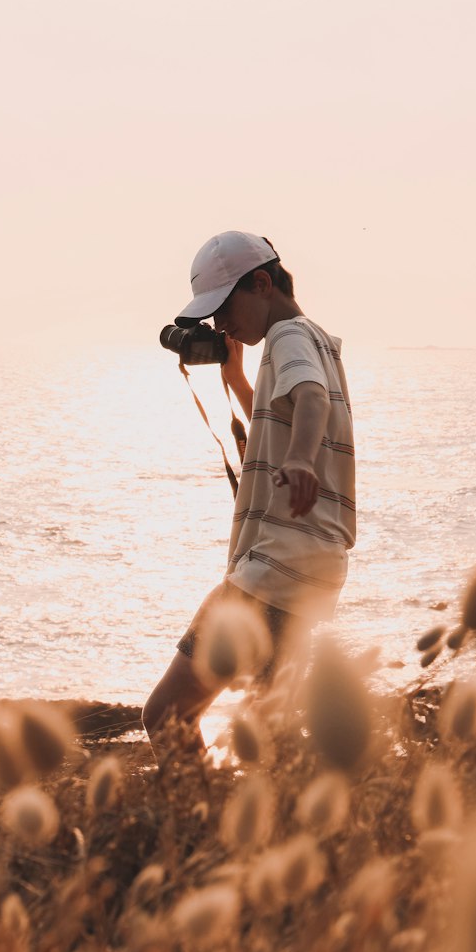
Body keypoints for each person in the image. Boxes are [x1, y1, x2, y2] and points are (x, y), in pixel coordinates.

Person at [143, 231, 356, 753]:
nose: (219, 325)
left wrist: (302, 458)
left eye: (223, 308)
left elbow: (308, 400)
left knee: (168, 713)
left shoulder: (287, 337)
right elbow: (281, 409)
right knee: (271, 729)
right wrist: (236, 377)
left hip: (275, 568)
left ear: (260, 283)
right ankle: (291, 827)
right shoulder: (314, 339)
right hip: (307, 566)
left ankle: (203, 830)